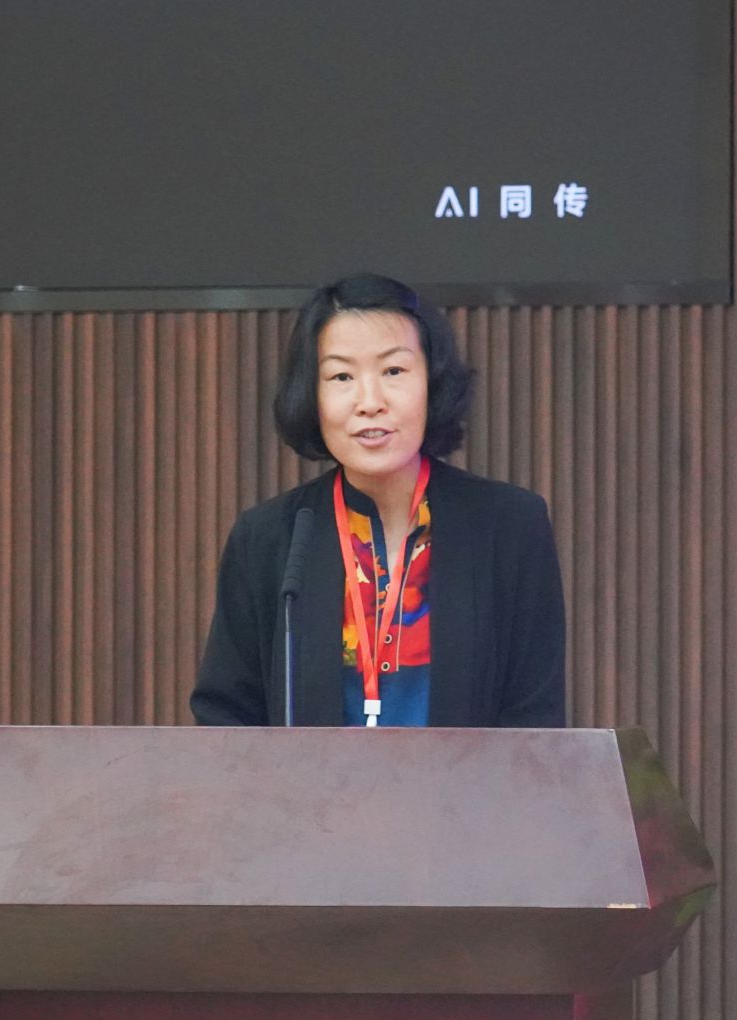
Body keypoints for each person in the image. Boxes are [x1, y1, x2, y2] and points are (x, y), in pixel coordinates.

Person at [191, 272, 566, 727]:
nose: (369, 402)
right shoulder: (269, 538)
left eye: (393, 371)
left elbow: (535, 721)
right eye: (341, 376)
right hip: (309, 780)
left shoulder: (509, 526)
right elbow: (225, 717)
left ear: (432, 382)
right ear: (311, 395)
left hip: (469, 779)